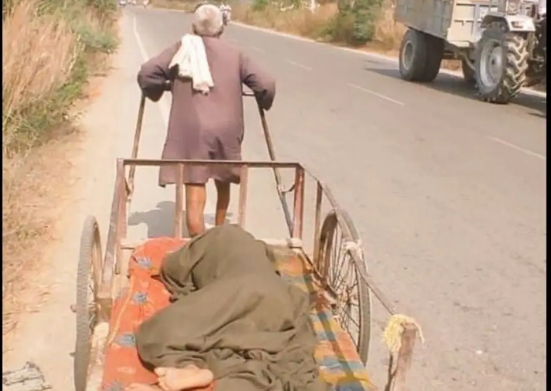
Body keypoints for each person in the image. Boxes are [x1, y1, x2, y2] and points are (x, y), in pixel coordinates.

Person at [137, 4, 276, 238]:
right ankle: (219, 233)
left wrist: (162, 87)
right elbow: (266, 83)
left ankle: (199, 242)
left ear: (193, 27)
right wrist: (263, 100)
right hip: (226, 129)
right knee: (223, 178)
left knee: (195, 183)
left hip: (192, 131)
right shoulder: (235, 54)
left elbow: (147, 72)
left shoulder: (182, 49)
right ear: (221, 29)